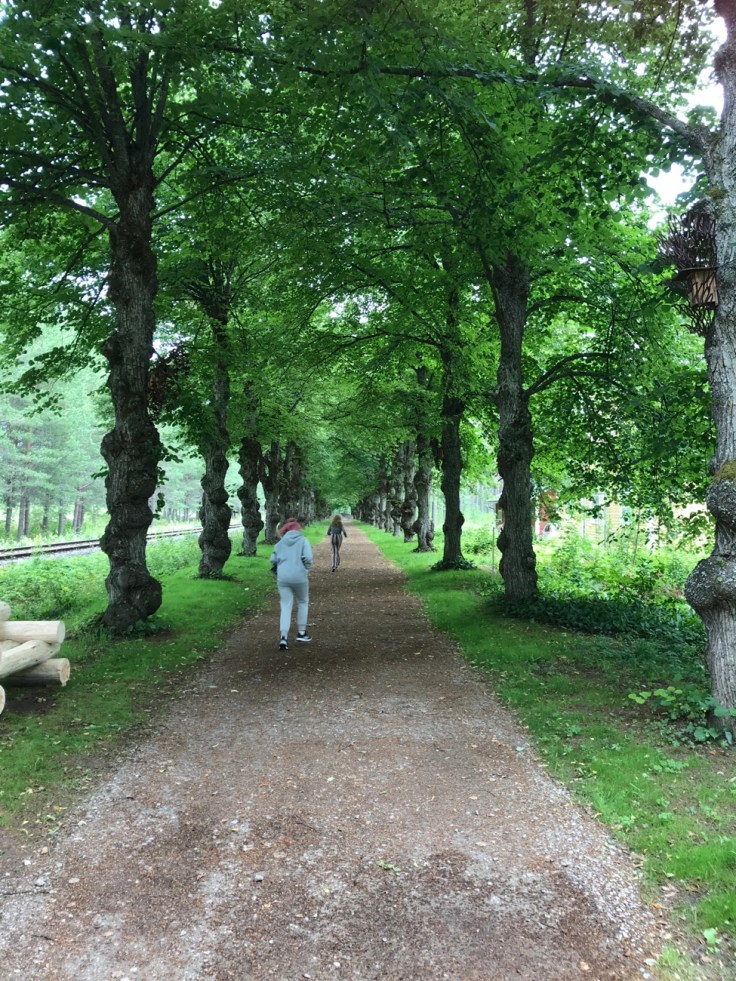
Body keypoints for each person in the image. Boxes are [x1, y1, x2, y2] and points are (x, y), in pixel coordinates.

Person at [270, 518, 313, 651]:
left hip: (283, 578)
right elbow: (308, 558)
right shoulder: (303, 541)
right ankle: (301, 633)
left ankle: (283, 637)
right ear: (297, 529)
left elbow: (273, 559)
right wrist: (305, 569)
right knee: (303, 602)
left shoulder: (280, 543)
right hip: (300, 577)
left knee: (285, 606)